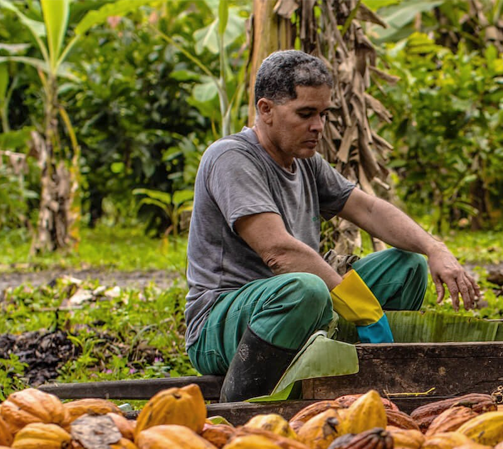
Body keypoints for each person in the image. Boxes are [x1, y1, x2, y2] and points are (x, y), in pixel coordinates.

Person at [185, 50, 480, 402]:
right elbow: (278, 251)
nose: (318, 127)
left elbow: (368, 209)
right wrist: (361, 308)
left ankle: (363, 386)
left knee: (407, 266)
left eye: (323, 114)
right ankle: (240, 403)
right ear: (265, 110)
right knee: (306, 290)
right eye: (305, 114)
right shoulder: (231, 158)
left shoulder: (305, 161)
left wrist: (435, 249)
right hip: (223, 324)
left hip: (307, 308)